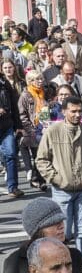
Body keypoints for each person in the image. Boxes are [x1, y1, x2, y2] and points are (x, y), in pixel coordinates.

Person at [35, 95, 82, 262]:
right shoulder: (53, 131)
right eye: (73, 111)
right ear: (64, 111)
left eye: (80, 111)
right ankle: (63, 266)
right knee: (62, 233)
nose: (77, 115)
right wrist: (56, 178)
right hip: (61, 190)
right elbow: (41, 160)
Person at [0, 62, 22, 199]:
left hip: (7, 125)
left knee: (11, 153)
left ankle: (13, 187)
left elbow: (14, 105)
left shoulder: (4, 82)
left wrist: (18, 125)